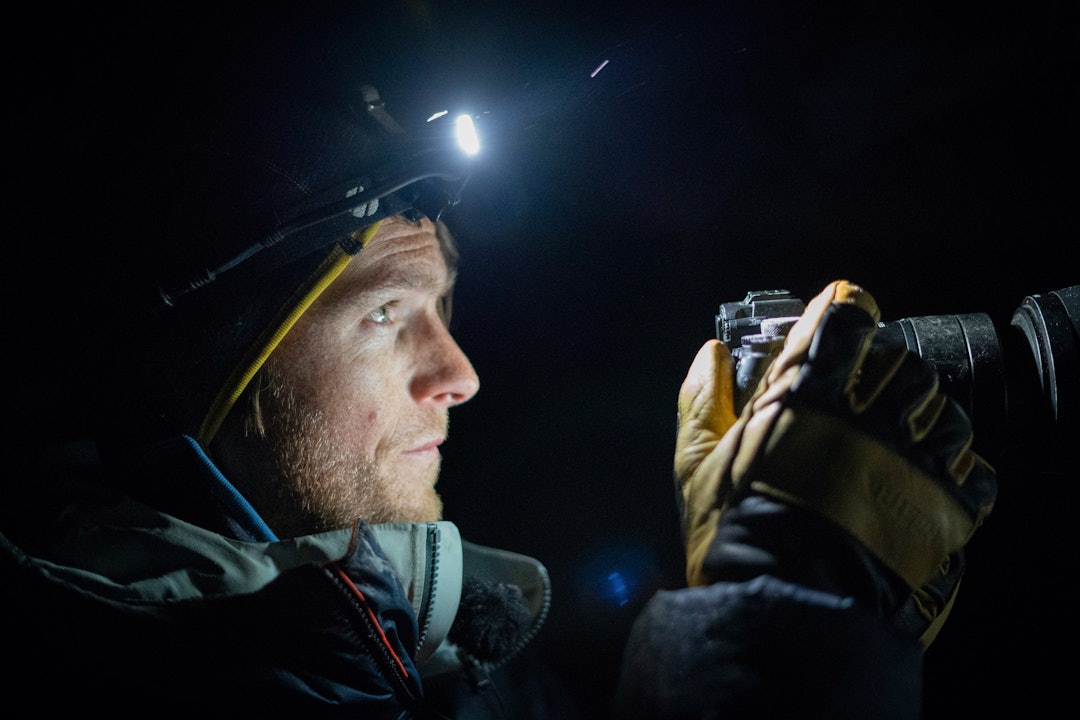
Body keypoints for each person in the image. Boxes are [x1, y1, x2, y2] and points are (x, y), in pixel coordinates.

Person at [4, 6, 996, 719]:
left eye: (442, 306)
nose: (459, 371)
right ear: (203, 379)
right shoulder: (109, 678)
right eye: (386, 312)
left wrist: (831, 628)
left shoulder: (445, 663)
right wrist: (778, 636)